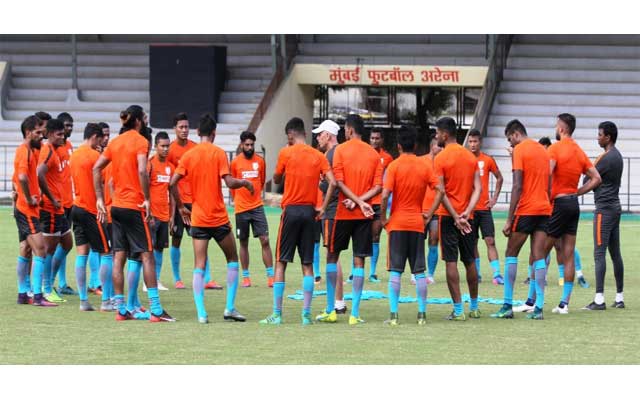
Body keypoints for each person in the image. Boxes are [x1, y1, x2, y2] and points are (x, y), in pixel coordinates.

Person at [93, 105, 175, 322]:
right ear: (138, 120)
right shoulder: (140, 141)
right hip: (133, 206)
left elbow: (96, 168)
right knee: (147, 255)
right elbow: (141, 170)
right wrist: (147, 198)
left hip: (116, 207)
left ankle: (122, 310)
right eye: (144, 118)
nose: (146, 121)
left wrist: (100, 198)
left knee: (118, 257)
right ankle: (156, 310)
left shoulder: (115, 142)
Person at [170, 113, 251, 324]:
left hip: (198, 218)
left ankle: (201, 314)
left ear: (198, 132)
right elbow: (230, 182)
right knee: (232, 259)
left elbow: (171, 183)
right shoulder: (218, 153)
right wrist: (245, 183)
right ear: (214, 133)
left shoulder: (189, 155)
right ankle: (229, 308)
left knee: (199, 264)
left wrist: (181, 207)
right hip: (218, 218)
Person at [260, 117, 335, 325]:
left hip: (291, 211)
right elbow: (333, 182)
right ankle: (306, 315)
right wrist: (323, 206)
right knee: (307, 263)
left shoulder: (286, 152)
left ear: (291, 134)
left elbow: (276, 179)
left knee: (281, 261)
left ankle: (277, 314)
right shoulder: (317, 155)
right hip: (310, 213)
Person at [316, 114, 380, 325]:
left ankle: (331, 309)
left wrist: (354, 201)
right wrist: (361, 201)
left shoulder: (339, 151)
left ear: (350, 130)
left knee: (332, 256)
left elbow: (339, 182)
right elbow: (378, 187)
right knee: (359, 260)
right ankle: (355, 313)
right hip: (363, 215)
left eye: (345, 129)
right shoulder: (374, 154)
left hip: (341, 213)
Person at [491, 119, 551, 320]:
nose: (511, 144)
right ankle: (538, 308)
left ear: (516, 134)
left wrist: (509, 219)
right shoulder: (543, 150)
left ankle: (507, 305)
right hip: (544, 208)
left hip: (527, 209)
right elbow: (549, 183)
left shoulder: (520, 150)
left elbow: (517, 185)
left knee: (511, 252)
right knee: (539, 256)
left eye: (510, 140)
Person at [380, 126, 437, 325]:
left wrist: (383, 218)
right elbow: (440, 190)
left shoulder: (394, 166)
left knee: (396, 271)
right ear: (415, 145)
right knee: (419, 271)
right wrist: (429, 213)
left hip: (397, 223)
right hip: (417, 224)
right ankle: (421, 315)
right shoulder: (424, 166)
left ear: (398, 146)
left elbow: (385, 195)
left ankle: (394, 316)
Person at [431, 117, 482, 321]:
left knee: (451, 261)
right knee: (470, 260)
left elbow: (441, 192)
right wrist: (467, 212)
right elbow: (478, 188)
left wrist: (455, 216)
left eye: (437, 133)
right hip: (468, 217)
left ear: (444, 134)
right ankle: (475, 307)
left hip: (448, 217)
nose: (436, 136)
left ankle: (459, 310)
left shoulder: (440, 159)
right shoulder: (470, 157)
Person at [69, 123, 112, 312]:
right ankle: (106, 301)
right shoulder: (95, 157)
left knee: (82, 254)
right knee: (106, 253)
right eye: (101, 138)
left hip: (77, 207)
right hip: (92, 210)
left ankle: (83, 301)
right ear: (94, 136)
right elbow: (105, 182)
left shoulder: (74, 155)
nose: (102, 142)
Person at [583, 121, 626, 310]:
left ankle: (599, 299)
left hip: (604, 210)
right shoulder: (619, 156)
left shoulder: (604, 158)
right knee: (615, 253)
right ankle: (619, 297)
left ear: (608, 137)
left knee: (599, 253)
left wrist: (579, 190)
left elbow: (587, 178)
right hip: (615, 208)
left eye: (600, 135)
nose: (597, 138)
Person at [14, 115, 55, 307]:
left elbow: (20, 178)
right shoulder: (24, 151)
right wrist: (29, 198)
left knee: (26, 248)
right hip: (27, 210)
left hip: (25, 208)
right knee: (41, 249)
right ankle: (38, 296)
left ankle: (23, 293)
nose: (41, 135)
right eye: (38, 132)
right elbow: (22, 177)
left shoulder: (30, 150)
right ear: (28, 132)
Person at [230, 131, 274, 288]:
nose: (249, 147)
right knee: (243, 242)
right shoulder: (235, 163)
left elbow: (261, 182)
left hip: (257, 207)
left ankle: (271, 276)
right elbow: (232, 185)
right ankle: (246, 277)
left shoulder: (260, 161)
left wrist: (254, 197)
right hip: (241, 208)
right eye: (247, 145)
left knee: (265, 240)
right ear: (242, 145)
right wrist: (238, 200)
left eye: (252, 145)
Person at [37, 119, 74, 304]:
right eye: (59, 134)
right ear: (50, 134)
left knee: (67, 243)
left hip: (59, 207)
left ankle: (49, 282)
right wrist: (51, 198)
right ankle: (46, 288)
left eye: (63, 134)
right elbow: (39, 173)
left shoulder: (58, 150)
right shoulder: (48, 151)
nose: (62, 137)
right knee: (48, 249)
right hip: (50, 208)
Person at [313, 119, 347, 317]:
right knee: (335, 255)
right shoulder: (341, 152)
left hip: (333, 210)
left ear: (328, 135)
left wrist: (323, 207)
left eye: (320, 134)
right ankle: (338, 301)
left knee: (332, 257)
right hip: (339, 209)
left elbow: (333, 184)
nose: (318, 138)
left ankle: (337, 302)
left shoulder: (331, 155)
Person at [467, 129, 504, 285]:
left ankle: (497, 274)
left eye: (475, 141)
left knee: (490, 240)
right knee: (473, 243)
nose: (472, 144)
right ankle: (477, 275)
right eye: (470, 141)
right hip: (470, 210)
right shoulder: (464, 160)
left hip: (484, 209)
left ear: (480, 142)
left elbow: (499, 178)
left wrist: (494, 198)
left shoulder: (487, 160)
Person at [366, 127, 393, 283]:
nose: (374, 141)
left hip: (378, 202)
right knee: (359, 236)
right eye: (372, 138)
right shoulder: (363, 154)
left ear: (382, 140)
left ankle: (372, 272)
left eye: (377, 138)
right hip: (365, 201)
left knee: (375, 236)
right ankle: (355, 271)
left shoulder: (387, 158)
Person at [148, 131, 174, 291]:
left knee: (160, 249)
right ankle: (147, 281)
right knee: (149, 249)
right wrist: (148, 212)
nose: (165, 149)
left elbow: (172, 192)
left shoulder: (170, 167)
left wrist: (172, 215)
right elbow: (144, 190)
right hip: (152, 215)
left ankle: (156, 279)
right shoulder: (150, 165)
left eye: (167, 146)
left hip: (165, 215)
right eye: (162, 146)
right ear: (155, 146)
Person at [55, 112, 77, 295]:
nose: (69, 129)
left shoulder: (69, 146)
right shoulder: (53, 149)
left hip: (69, 202)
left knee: (64, 245)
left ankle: (61, 283)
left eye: (71, 125)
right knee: (53, 245)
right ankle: (48, 283)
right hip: (57, 203)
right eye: (66, 125)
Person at [419, 135, 442, 284]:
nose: (441, 149)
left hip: (437, 210)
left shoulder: (443, 163)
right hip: (421, 209)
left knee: (434, 240)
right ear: (432, 146)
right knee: (418, 241)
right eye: (439, 146)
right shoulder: (421, 161)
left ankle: (430, 274)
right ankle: (417, 272)